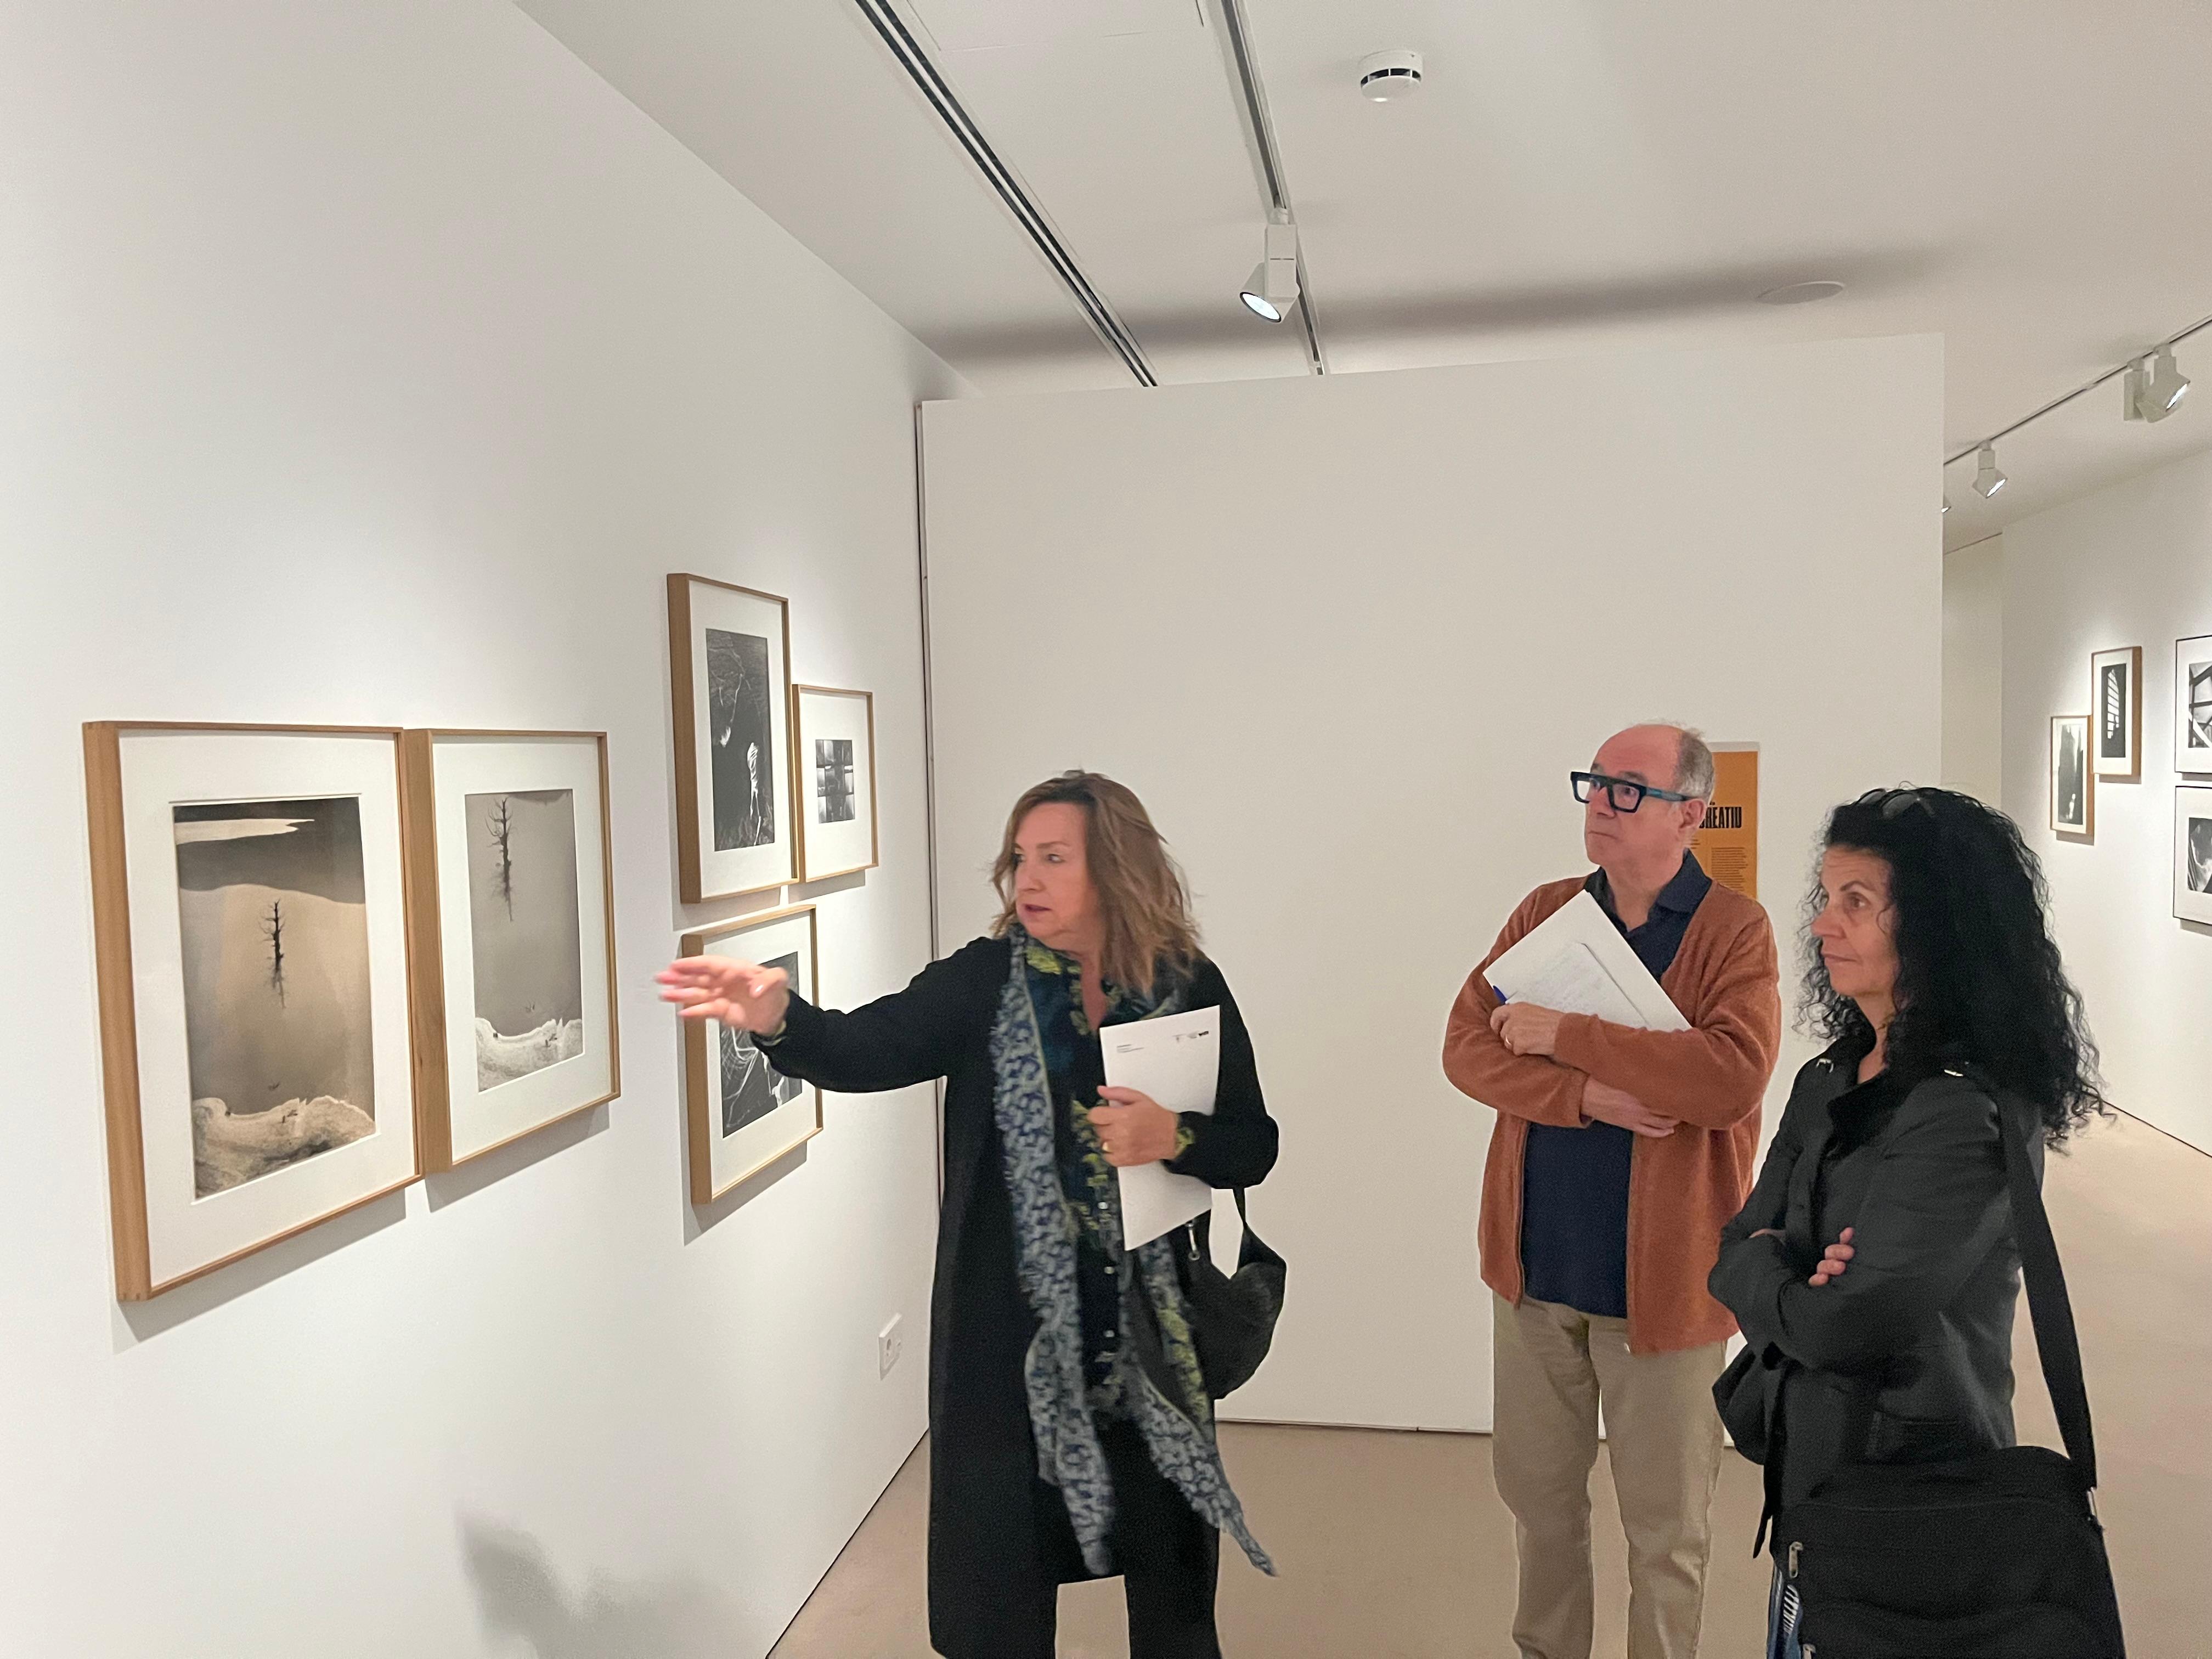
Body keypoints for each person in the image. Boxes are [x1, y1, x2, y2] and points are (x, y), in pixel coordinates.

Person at [658, 771, 1276, 1659]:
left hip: (1148, 1336)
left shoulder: (1186, 985)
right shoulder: (985, 983)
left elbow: (1253, 1145)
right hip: (1007, 1344)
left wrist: (1172, 1134)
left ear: (1116, 867)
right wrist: (780, 1017)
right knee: (998, 1597)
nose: (1028, 879)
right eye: (1021, 858)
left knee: (1173, 1598)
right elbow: (866, 1048)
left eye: (1054, 858)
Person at [1708, 787, 2108, 1658]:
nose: (1822, 925)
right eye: (1827, 897)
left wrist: (1781, 1271)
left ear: (1939, 927)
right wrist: (1789, 1272)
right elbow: (1732, 1248)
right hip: (1811, 1481)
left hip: (1915, 1491)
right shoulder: (1831, 1075)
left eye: (1856, 902)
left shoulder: (1962, 1113)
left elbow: (1847, 1324)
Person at [1442, 723, 1783, 1659]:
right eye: (1594, 783)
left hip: (1667, 1294)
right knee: (1540, 1509)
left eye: (1627, 788)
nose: (1601, 802)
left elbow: (1727, 1080)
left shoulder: (1734, 931)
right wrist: (1584, 1096)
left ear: (1690, 813)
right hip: (1534, 1277)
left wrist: (1566, 1035)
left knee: (1666, 1533)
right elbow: (1467, 1047)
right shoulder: (1548, 911)